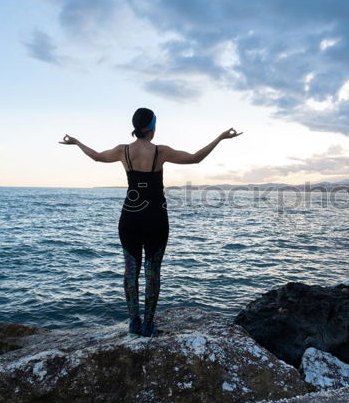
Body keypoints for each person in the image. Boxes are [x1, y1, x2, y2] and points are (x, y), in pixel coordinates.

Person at [60, 108, 242, 336]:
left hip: (130, 217)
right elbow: (196, 158)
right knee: (152, 271)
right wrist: (221, 138)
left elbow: (96, 156)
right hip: (156, 217)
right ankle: (148, 324)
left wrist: (77, 142)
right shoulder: (160, 151)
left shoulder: (122, 151)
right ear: (152, 127)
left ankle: (133, 322)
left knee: (130, 270)